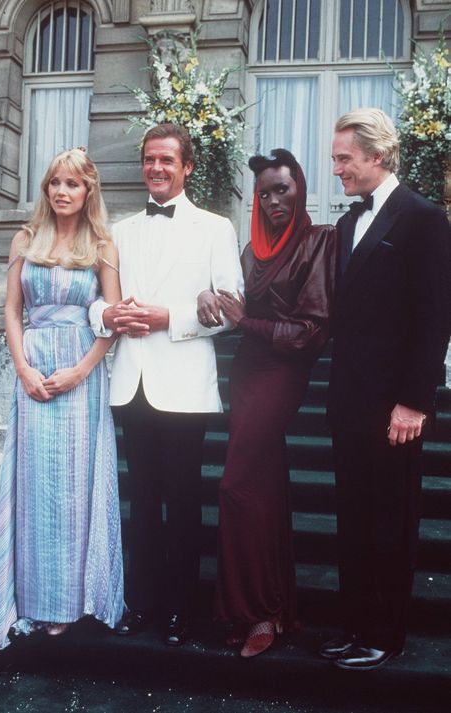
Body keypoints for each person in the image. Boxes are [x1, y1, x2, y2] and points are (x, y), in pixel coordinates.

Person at [89, 123, 243, 646]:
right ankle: (142, 603)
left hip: (183, 387)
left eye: (167, 161)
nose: (156, 168)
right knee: (141, 499)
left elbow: (231, 307)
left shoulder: (216, 227)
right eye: (149, 160)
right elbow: (91, 301)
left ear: (188, 167)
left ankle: (181, 609)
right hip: (130, 383)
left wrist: (168, 317)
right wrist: (106, 314)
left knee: (181, 500)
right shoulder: (120, 231)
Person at [0, 148, 125, 651]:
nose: (62, 191)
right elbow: (13, 312)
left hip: (80, 378)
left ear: (89, 192)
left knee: (73, 492)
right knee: (34, 488)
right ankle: (28, 600)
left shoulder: (103, 244)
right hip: (33, 374)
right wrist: (22, 368)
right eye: (55, 183)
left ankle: (67, 603)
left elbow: (112, 322)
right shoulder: (26, 238)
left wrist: (82, 371)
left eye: (73, 184)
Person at [322, 108, 451, 670]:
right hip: (347, 400)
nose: (337, 170)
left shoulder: (424, 218)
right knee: (352, 518)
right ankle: (354, 628)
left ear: (377, 156)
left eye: (344, 159)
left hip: (396, 405)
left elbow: (434, 316)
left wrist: (416, 401)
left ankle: (385, 633)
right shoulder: (349, 223)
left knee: (389, 522)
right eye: (335, 159)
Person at [204, 149, 336, 658]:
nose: (275, 199)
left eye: (283, 188)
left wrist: (245, 323)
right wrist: (208, 299)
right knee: (263, 484)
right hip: (247, 371)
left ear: (300, 187)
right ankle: (266, 611)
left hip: (283, 371)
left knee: (236, 483)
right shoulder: (250, 250)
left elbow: (310, 331)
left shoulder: (319, 241)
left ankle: (257, 608)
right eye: (265, 193)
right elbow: (230, 300)